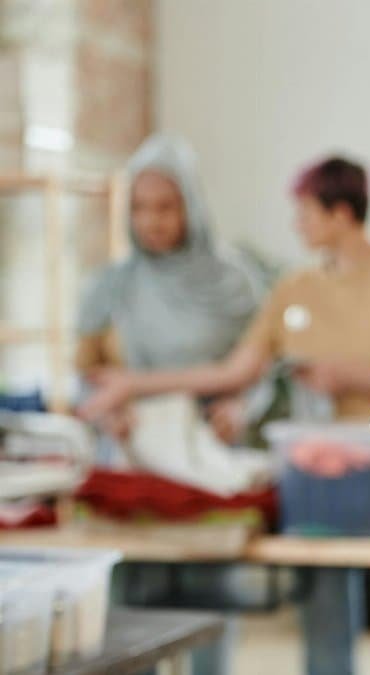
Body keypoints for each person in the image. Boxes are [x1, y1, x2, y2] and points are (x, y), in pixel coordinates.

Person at [81, 157, 370, 675]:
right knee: (324, 624)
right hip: (321, 478)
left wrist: (357, 378)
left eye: (305, 211)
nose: (296, 223)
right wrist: (134, 386)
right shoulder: (293, 289)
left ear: (342, 213)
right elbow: (234, 372)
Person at [76, 133, 265, 675]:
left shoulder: (233, 282)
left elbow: (258, 370)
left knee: (210, 611)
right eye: (139, 208)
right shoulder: (112, 285)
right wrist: (108, 409)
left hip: (209, 463)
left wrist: (239, 408)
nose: (152, 220)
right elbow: (86, 371)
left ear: (192, 206)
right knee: (133, 613)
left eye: (165, 206)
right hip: (137, 466)